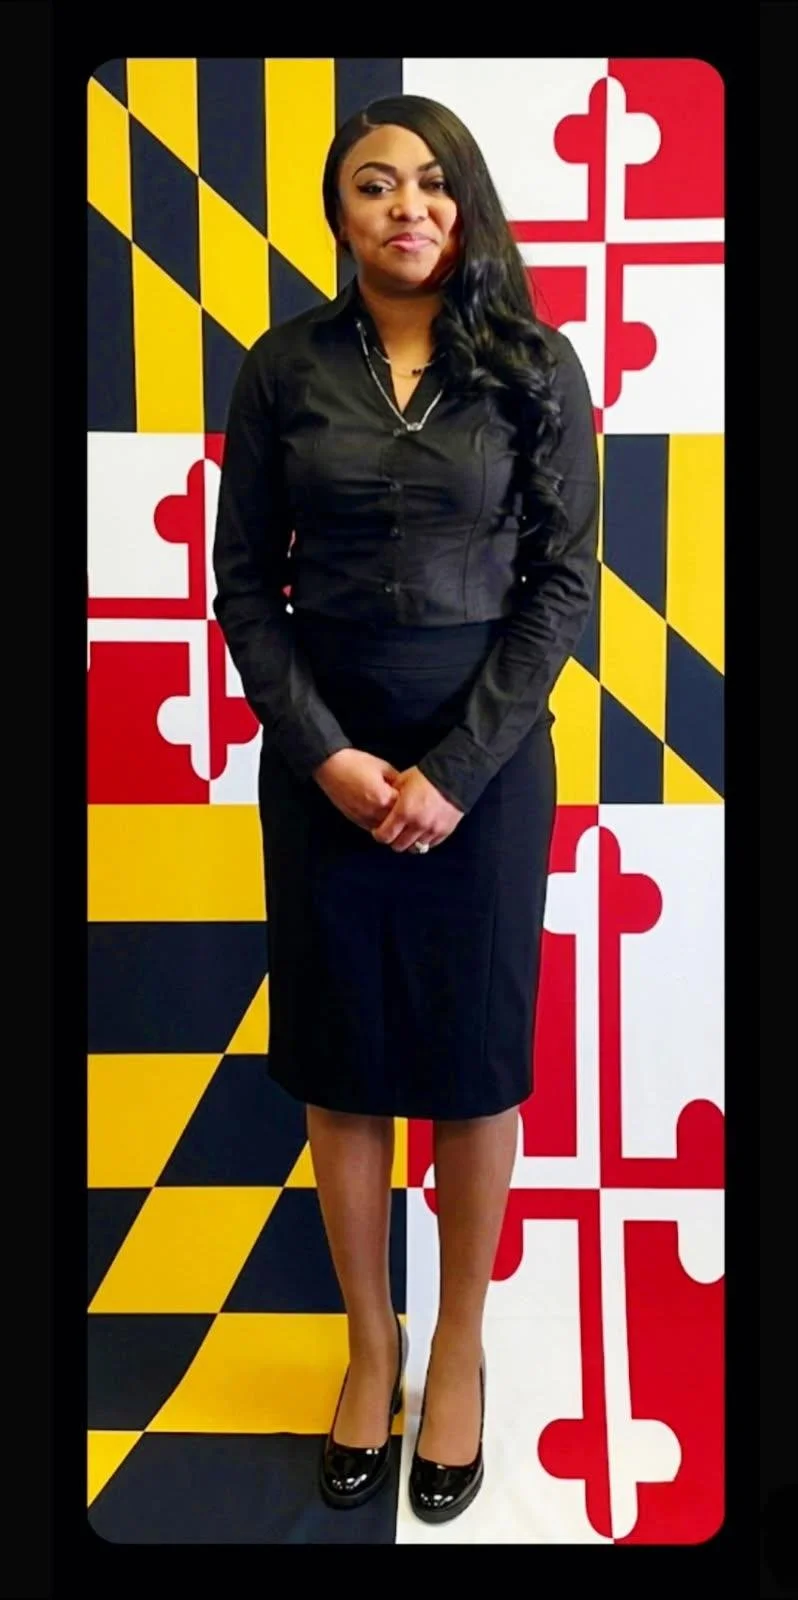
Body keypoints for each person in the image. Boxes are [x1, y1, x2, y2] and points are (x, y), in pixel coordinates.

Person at [212, 93, 598, 1525]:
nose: (406, 207)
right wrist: (322, 753)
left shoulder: (531, 367)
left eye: (433, 182)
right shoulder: (281, 370)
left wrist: (453, 770)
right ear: (338, 211)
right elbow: (246, 585)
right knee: (344, 1055)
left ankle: (458, 1348)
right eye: (374, 185)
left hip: (483, 771)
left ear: (467, 200)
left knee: (472, 1062)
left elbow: (560, 586)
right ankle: (370, 1342)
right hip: (326, 766)